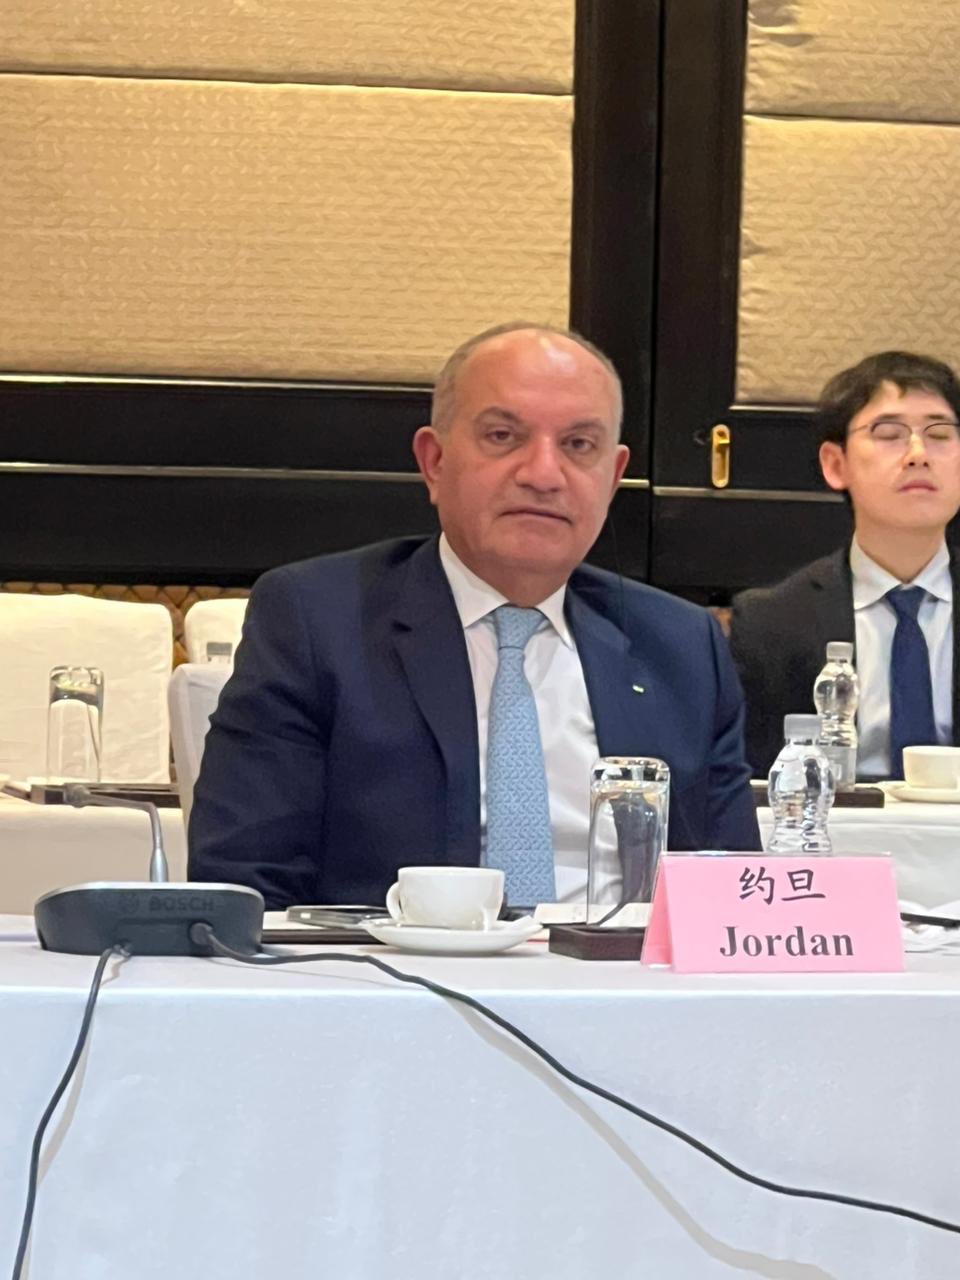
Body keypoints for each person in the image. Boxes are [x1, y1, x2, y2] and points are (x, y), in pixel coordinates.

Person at [189, 323, 759, 908]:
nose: (543, 474)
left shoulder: (681, 645)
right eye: (503, 436)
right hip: (395, 964)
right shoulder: (317, 620)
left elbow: (737, 899)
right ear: (434, 462)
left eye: (578, 445)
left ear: (612, 478)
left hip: (623, 964)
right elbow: (241, 888)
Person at [729, 350, 960, 780]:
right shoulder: (771, 623)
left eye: (940, 433)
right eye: (889, 433)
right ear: (836, 465)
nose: (918, 453)